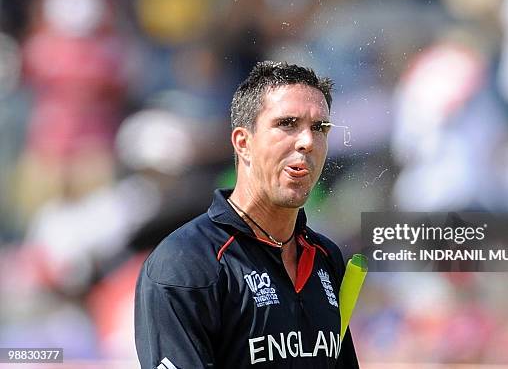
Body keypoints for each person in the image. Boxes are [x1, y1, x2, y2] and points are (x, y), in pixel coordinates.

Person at [135, 61, 360, 368]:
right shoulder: (184, 264)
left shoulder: (327, 257)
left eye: (319, 128)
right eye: (287, 123)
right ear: (244, 143)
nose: (308, 141)